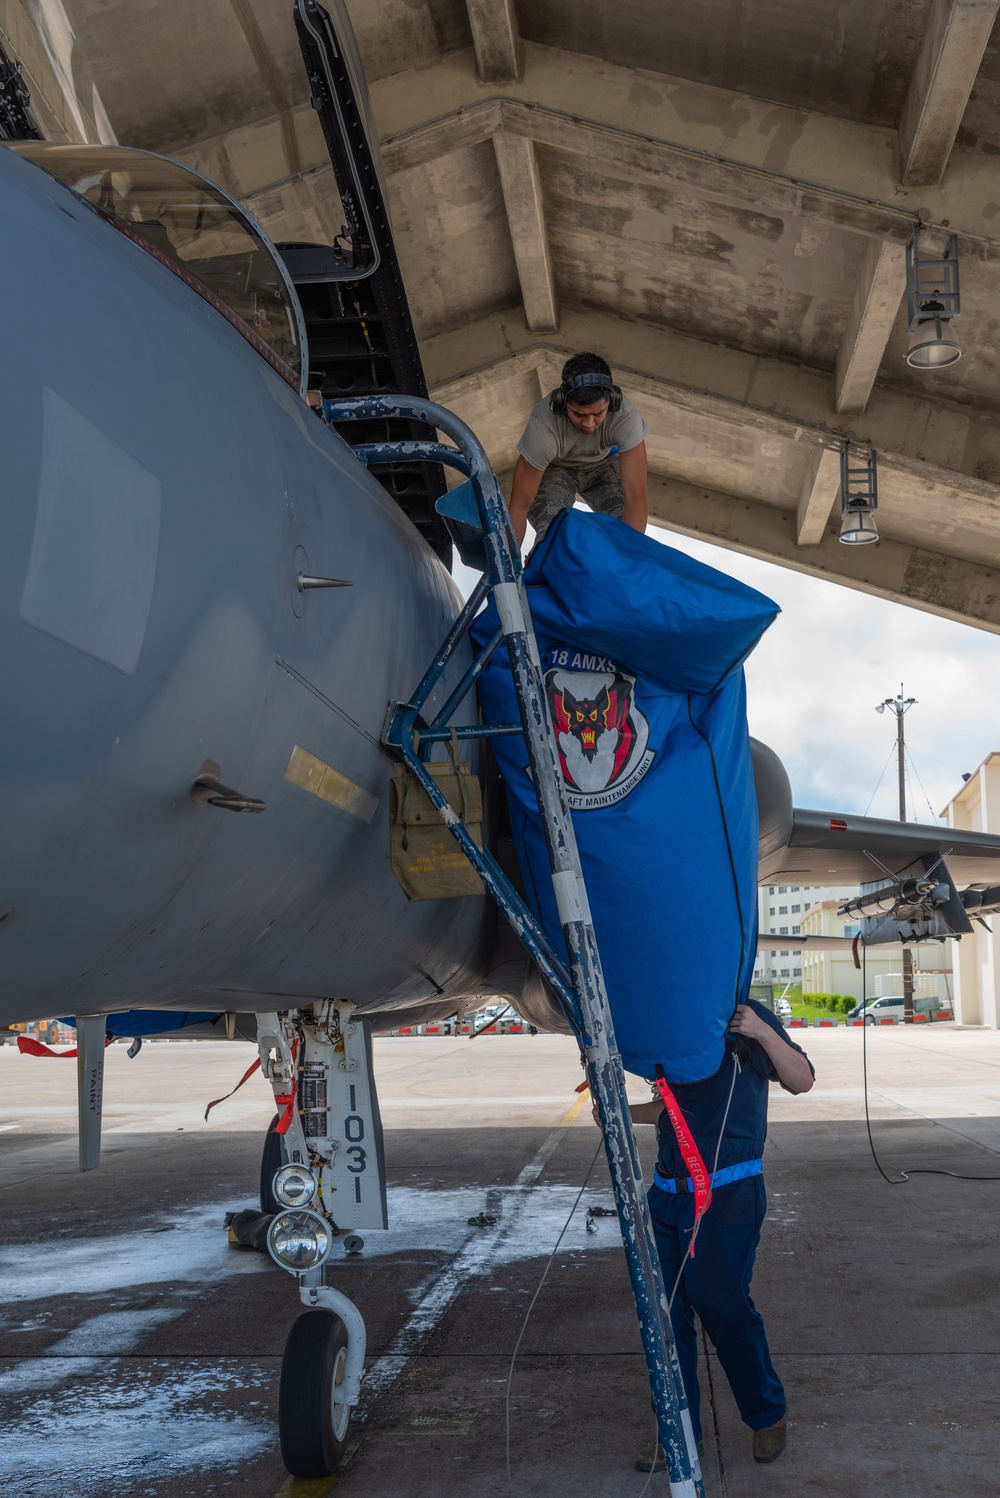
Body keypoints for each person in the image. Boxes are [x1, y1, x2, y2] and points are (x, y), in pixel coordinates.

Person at [599, 1000, 814, 1470]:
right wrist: (614, 1109)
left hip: (728, 1193)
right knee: (664, 1316)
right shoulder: (670, 1022)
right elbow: (672, 1108)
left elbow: (801, 1078)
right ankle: (677, 1434)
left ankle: (766, 1414)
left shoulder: (743, 1017)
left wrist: (760, 1031)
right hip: (667, 1195)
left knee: (722, 1304)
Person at [507, 352, 649, 546]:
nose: (589, 424)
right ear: (562, 403)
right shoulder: (543, 426)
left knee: (626, 530)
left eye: (598, 413)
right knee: (554, 533)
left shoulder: (625, 416)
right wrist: (506, 568)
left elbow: (635, 494)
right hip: (555, 469)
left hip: (604, 466)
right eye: (579, 414)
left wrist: (631, 557)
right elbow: (519, 507)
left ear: (612, 401)